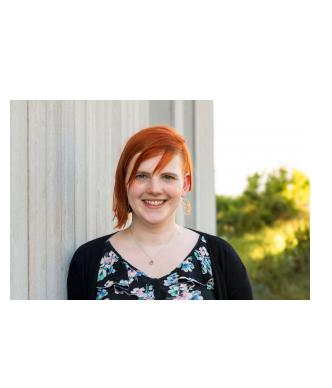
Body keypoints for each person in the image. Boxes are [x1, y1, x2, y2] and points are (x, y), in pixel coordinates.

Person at [67, 126, 253, 300]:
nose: (154, 189)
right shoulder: (88, 260)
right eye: (141, 176)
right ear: (124, 182)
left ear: (185, 184)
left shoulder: (220, 257)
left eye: (168, 177)